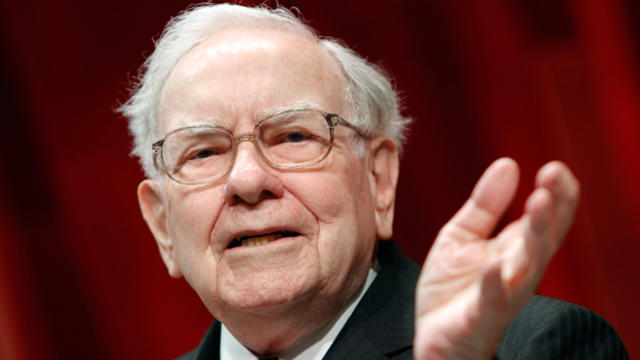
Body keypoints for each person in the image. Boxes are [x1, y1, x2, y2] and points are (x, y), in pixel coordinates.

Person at [119, 3, 628, 359]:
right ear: (162, 224)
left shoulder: (535, 347)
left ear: (379, 179)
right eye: (204, 151)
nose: (249, 180)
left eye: (294, 136)